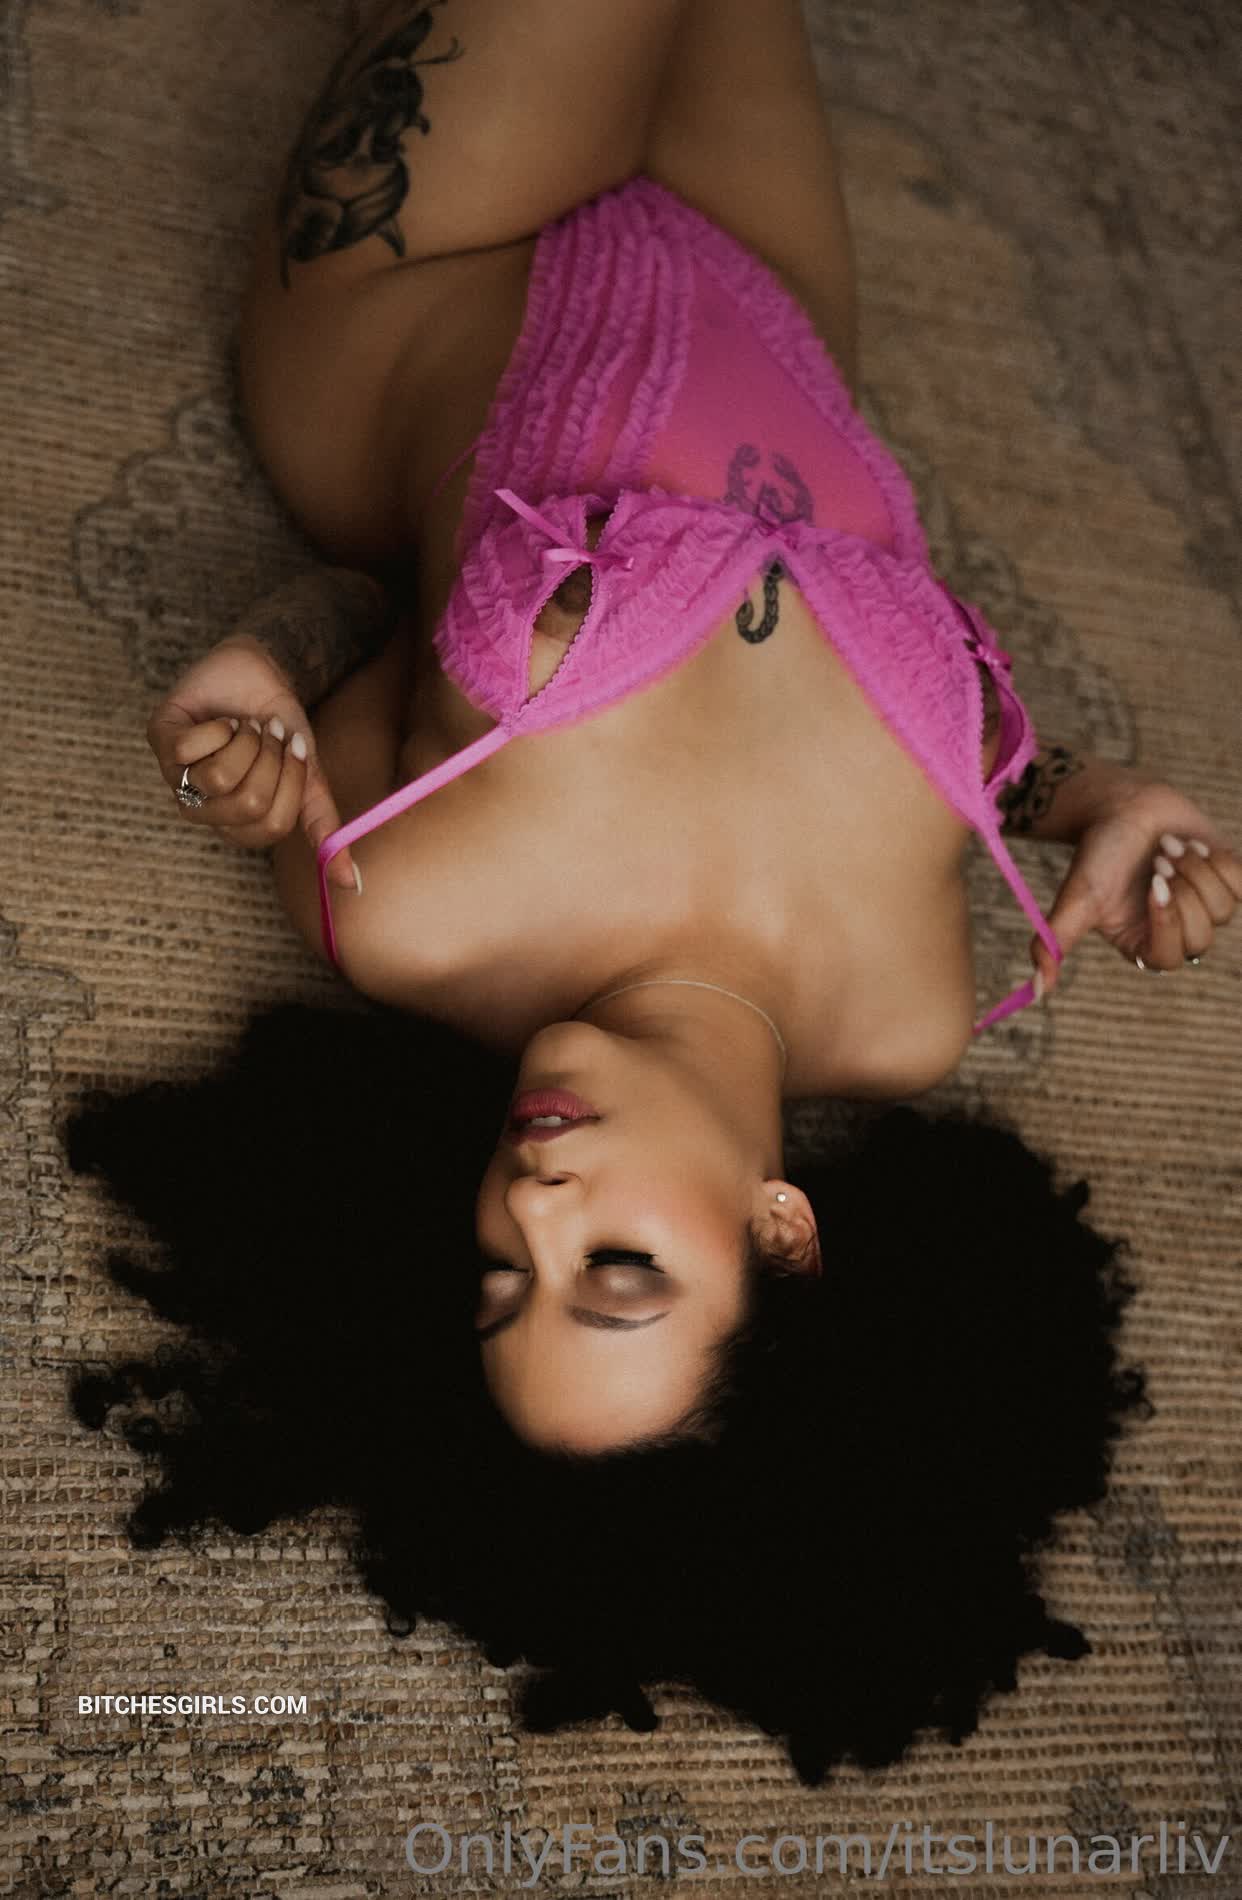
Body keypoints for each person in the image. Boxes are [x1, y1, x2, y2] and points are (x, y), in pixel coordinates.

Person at [112, 0, 1234, 1779]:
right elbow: (920, 743)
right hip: (775, 311)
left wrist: (256, 672)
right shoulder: (909, 1007)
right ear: (780, 1235)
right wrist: (1095, 800)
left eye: (498, 1278)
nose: (531, 1203)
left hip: (428, 275)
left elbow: (369, 599)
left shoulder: (406, 913)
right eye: (615, 1273)